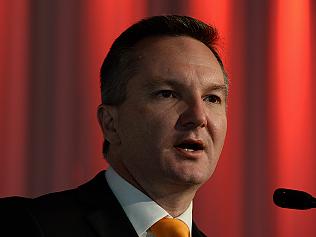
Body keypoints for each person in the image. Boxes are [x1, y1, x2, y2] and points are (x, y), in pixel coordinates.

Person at [0, 15, 228, 237]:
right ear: (111, 123)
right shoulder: (25, 224)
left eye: (212, 98)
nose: (198, 116)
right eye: (167, 94)